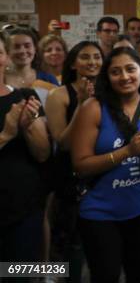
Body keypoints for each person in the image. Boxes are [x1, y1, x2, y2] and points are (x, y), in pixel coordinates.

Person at [69, 47, 140, 283]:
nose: (124, 77)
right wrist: (127, 151)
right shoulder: (93, 108)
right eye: (116, 72)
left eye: (130, 69)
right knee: (106, 275)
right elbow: (80, 165)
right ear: (107, 77)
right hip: (102, 212)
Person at [45, 41, 103, 282]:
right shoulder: (58, 95)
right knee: (72, 243)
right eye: (85, 57)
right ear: (73, 63)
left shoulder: (108, 92)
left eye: (97, 57)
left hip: (101, 172)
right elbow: (65, 143)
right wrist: (81, 104)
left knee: (99, 241)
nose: (92, 62)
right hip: (70, 175)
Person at [0, 30, 51, 265]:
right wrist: (7, 134)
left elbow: (43, 154)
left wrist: (30, 127)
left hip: (24, 204)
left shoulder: (26, 96)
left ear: (5, 59)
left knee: (20, 271)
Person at [5, 27, 59, 106]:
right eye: (16, 47)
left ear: (35, 49)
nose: (22, 51)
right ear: (8, 50)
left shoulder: (48, 79)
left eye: (27, 46)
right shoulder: (2, 78)